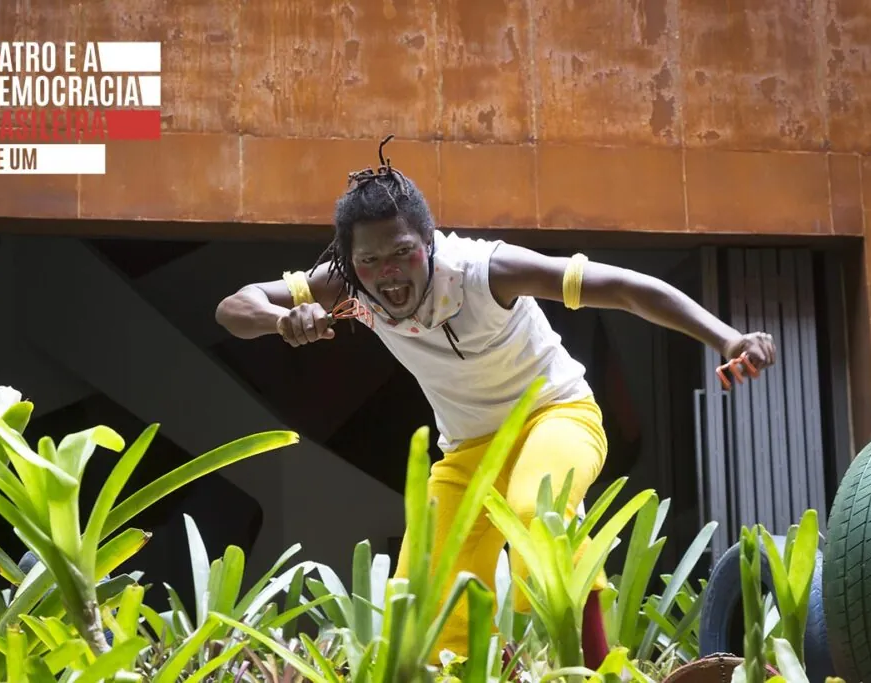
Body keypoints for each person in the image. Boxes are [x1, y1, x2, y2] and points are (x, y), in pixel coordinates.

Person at [214, 136, 776, 663]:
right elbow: (234, 307)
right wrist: (281, 317)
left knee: (538, 510)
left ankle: (599, 667)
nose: (387, 276)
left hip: (557, 415)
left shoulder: (484, 272)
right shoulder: (349, 289)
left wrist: (726, 337)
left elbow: (626, 288)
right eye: (370, 262)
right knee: (420, 594)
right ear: (350, 262)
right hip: (467, 452)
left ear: (428, 243)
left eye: (402, 254)